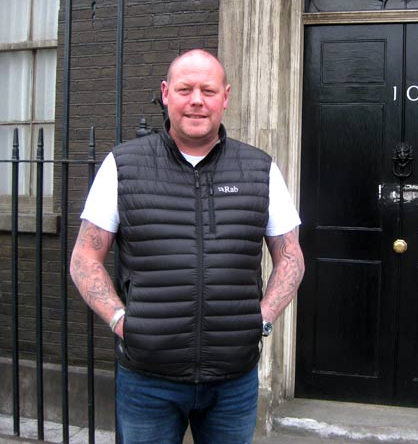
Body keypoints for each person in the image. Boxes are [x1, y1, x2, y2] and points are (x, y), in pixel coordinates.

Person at [70, 49, 305, 444]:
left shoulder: (260, 168)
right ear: (166, 93)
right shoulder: (122, 165)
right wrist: (120, 320)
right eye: (185, 89)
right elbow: (84, 258)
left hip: (233, 382)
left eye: (208, 90)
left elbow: (291, 257)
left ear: (225, 97)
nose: (197, 100)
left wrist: (262, 318)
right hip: (148, 381)